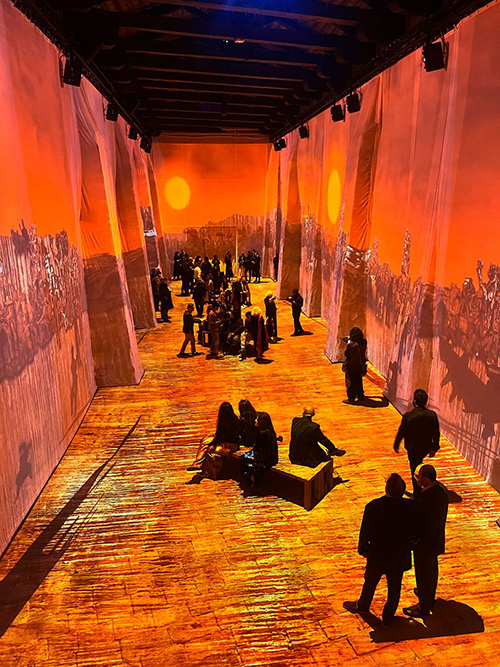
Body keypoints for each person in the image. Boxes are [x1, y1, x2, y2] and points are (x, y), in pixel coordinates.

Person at [343, 473, 416, 627]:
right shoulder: (410, 507)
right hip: (399, 554)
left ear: (386, 489)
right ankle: (387, 617)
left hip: (378, 553)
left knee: (370, 581)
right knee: (394, 587)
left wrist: (363, 548)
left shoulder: (374, 506)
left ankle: (363, 605)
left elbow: (366, 530)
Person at [403, 464, 449, 619]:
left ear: (427, 479)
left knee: (423, 573)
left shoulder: (430, 499)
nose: (415, 478)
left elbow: (424, 522)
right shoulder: (439, 490)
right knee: (432, 570)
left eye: (418, 476)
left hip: (425, 543)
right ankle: (428, 595)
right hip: (435, 540)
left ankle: (423, 606)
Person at [394, 389, 440, 498]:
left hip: (412, 447)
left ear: (414, 401)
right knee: (418, 463)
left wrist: (397, 443)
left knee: (414, 467)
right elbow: (436, 433)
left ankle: (418, 492)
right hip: (425, 447)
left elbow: (402, 431)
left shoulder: (408, 416)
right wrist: (434, 447)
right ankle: (423, 484)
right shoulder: (432, 415)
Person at [187, 402, 240, 475]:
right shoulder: (235, 419)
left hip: (227, 444)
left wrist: (213, 443)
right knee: (205, 440)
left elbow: (220, 437)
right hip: (228, 441)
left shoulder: (223, 422)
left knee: (207, 447)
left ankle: (200, 465)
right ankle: (198, 463)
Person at [241, 412, 279, 490]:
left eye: (257, 419)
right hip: (268, 457)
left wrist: (253, 456)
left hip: (265, 460)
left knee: (244, 460)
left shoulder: (263, 434)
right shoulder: (269, 431)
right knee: (244, 457)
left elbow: (260, 450)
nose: (255, 420)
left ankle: (253, 484)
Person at [342, 327, 367, 404]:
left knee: (351, 382)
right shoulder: (364, 342)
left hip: (351, 366)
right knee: (359, 381)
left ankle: (351, 398)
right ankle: (360, 395)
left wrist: (348, 343)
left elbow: (346, 354)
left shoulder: (351, 345)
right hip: (360, 365)